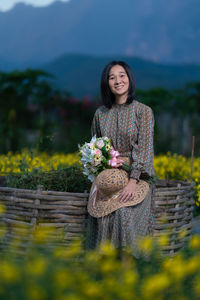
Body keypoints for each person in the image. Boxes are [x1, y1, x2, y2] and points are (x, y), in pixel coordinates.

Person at [85, 60, 155, 258]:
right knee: (103, 214)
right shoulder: (100, 114)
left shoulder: (143, 111)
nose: (117, 81)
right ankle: (104, 270)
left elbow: (145, 149)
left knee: (123, 212)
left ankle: (128, 270)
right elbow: (95, 147)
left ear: (130, 78)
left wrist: (133, 181)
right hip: (109, 179)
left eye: (122, 75)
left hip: (137, 178)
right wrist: (102, 168)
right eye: (112, 77)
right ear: (106, 83)